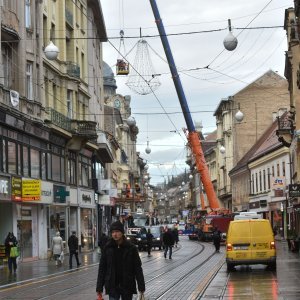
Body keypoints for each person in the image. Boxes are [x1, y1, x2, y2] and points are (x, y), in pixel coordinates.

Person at [96, 220, 145, 300]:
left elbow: (137, 268)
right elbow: (102, 269)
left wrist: (141, 287)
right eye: (113, 232)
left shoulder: (131, 248)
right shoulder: (107, 248)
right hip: (112, 285)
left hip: (127, 285)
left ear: (122, 232)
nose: (115, 234)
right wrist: (99, 288)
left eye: (117, 231)